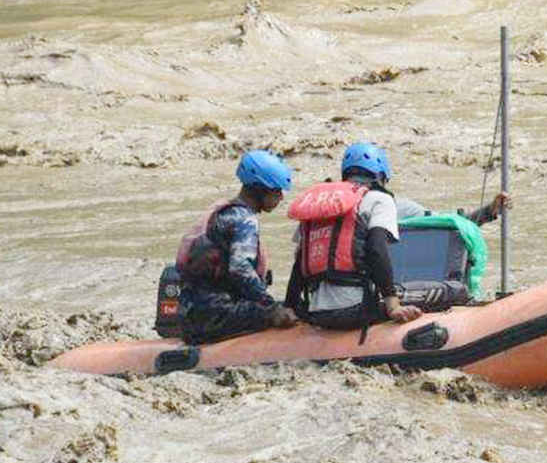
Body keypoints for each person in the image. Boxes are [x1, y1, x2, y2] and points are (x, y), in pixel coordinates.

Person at [286, 142, 422, 331]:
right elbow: (376, 250)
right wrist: (392, 303)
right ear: (381, 176)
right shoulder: (379, 199)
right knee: (435, 299)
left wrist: (289, 305)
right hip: (356, 310)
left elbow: (300, 262)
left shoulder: (320, 203)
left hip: (317, 312)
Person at [175, 150, 297, 344]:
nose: (281, 197)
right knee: (286, 314)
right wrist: (271, 307)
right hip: (217, 316)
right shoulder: (245, 220)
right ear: (260, 189)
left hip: (192, 313)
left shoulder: (225, 211)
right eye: (277, 191)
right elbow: (240, 268)